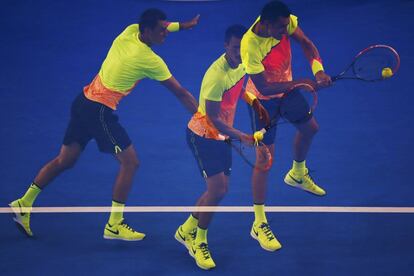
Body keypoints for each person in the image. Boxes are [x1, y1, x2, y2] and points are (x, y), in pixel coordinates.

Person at [9, 8, 199, 241]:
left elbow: (164, 25)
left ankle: (23, 202)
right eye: (161, 30)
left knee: (65, 161)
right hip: (99, 111)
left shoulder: (130, 31)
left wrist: (182, 25)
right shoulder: (150, 60)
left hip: (82, 101)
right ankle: (114, 224)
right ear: (147, 31)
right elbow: (180, 92)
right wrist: (204, 118)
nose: (165, 33)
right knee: (130, 162)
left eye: (165, 28)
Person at [174, 25, 270, 270]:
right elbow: (214, 119)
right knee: (217, 190)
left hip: (220, 135)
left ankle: (186, 230)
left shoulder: (244, 63)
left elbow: (239, 90)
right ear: (225, 46)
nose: (239, 52)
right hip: (203, 134)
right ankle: (199, 241)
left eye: (242, 47)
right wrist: (243, 137)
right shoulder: (216, 76)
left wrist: (254, 102)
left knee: (220, 190)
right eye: (235, 47)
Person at [240, 0, 332, 250]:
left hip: (287, 90)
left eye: (286, 26)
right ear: (265, 24)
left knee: (310, 128)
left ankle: (297, 174)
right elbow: (263, 87)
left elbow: (306, 44)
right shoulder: (250, 45)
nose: (285, 32)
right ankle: (258, 224)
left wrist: (318, 71)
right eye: (280, 29)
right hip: (262, 101)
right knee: (265, 160)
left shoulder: (286, 22)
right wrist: (303, 83)